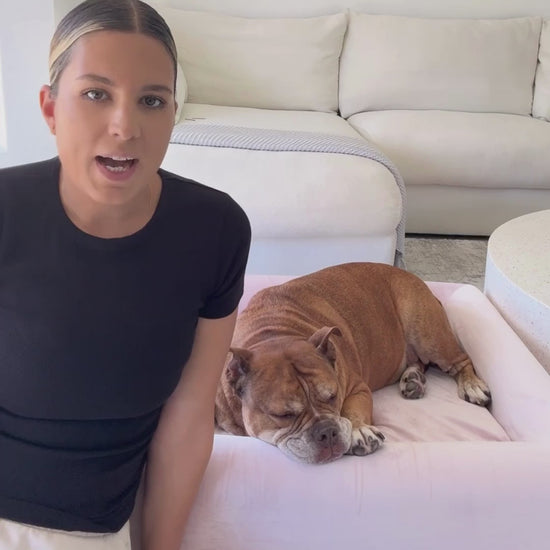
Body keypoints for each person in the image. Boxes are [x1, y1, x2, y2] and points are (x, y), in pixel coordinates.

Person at [0, 0, 250, 548]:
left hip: (91, 524)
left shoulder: (215, 230)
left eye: (151, 101)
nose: (125, 127)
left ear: (173, 113)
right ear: (50, 108)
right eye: (96, 94)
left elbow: (190, 414)